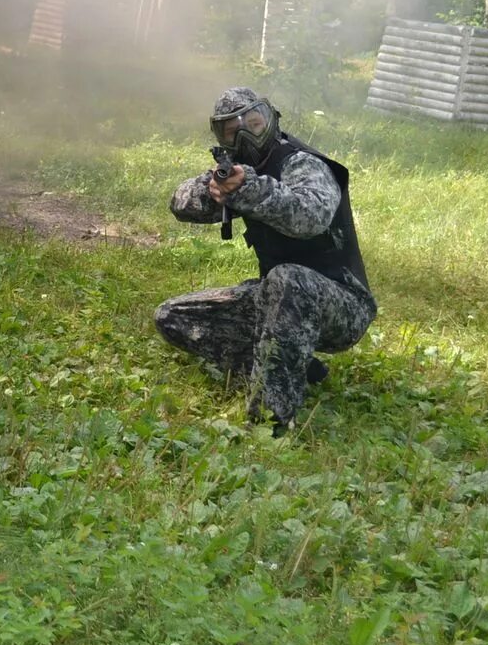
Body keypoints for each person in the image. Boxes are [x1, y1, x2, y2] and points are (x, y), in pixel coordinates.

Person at [156, 87, 376, 434]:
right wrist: (214, 192)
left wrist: (253, 191)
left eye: (253, 124)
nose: (244, 135)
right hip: (279, 298)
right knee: (174, 317)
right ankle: (296, 364)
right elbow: (179, 204)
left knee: (288, 278)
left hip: (343, 304)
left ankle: (270, 421)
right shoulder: (238, 171)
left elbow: (310, 216)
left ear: (271, 120)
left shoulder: (302, 162)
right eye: (231, 131)